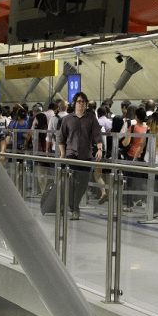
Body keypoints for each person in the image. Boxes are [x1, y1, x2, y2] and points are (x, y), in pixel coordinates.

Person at [56, 92, 104, 220]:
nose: (81, 104)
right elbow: (61, 138)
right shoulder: (67, 119)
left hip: (86, 156)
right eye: (79, 101)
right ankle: (74, 209)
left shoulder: (91, 118)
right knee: (71, 183)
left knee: (82, 185)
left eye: (83, 101)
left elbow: (97, 135)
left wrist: (99, 148)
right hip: (71, 156)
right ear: (74, 103)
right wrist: (62, 154)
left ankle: (73, 205)